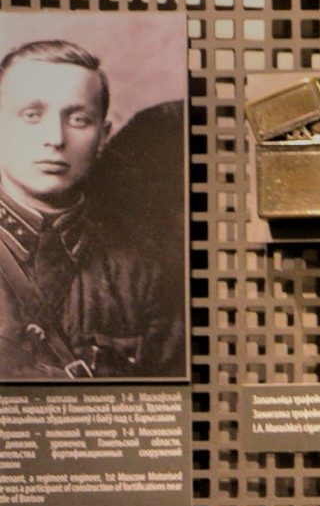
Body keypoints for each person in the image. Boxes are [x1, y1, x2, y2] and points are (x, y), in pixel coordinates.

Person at [0, 36, 183, 379]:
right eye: (31, 115)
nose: (55, 138)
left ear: (103, 136)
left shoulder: (144, 271)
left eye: (78, 119)